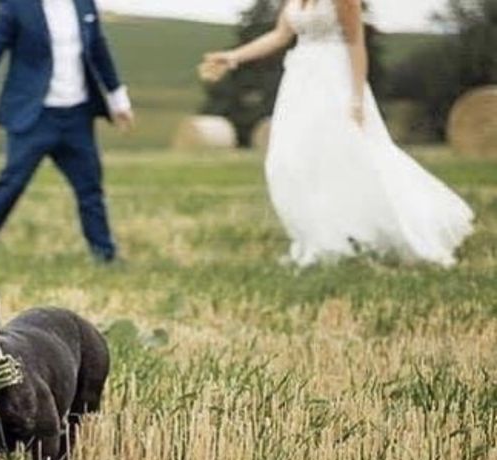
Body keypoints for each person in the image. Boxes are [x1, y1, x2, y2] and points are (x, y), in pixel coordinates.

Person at [201, 0, 474, 268]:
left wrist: (355, 99)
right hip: (300, 80)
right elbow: (280, 35)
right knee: (291, 159)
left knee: (347, 156)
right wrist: (233, 57)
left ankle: (364, 233)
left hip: (335, 79)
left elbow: (356, 44)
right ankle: (321, 235)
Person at [0, 0, 134, 263]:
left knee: (90, 188)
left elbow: (99, 49)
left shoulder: (84, 4)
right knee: (10, 184)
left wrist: (118, 100)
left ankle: (105, 255)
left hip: (77, 116)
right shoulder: (14, 7)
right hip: (33, 117)